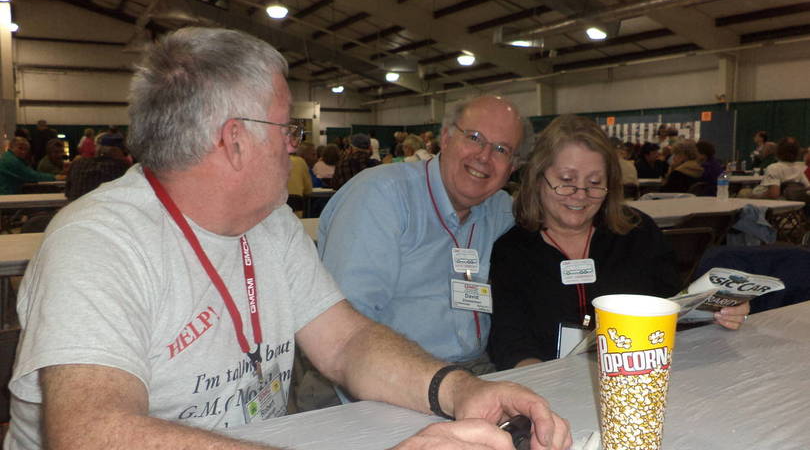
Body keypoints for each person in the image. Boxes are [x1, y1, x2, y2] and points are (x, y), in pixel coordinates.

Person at [5, 27, 570, 450]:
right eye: (288, 129)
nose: (294, 146)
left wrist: (458, 391)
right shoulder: (98, 243)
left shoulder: (270, 223)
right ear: (235, 140)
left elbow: (347, 344)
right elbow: (89, 434)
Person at [487, 115, 750, 370]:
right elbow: (510, 340)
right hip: (552, 385)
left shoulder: (638, 232)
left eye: (595, 183)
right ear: (537, 178)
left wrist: (717, 313)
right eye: (566, 181)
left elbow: (672, 307)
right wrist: (543, 384)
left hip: (636, 375)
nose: (580, 195)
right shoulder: (512, 250)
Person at [318, 95, 530, 375]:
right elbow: (342, 334)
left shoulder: (501, 211)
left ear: (512, 167)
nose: (484, 156)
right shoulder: (381, 197)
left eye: (502, 149)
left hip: (478, 369)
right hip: (382, 372)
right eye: (475, 137)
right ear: (445, 138)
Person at [64, 144, 130, 201]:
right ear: (117, 152)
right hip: (105, 212)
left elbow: (67, 193)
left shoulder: (77, 163)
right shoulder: (121, 168)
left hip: (74, 210)